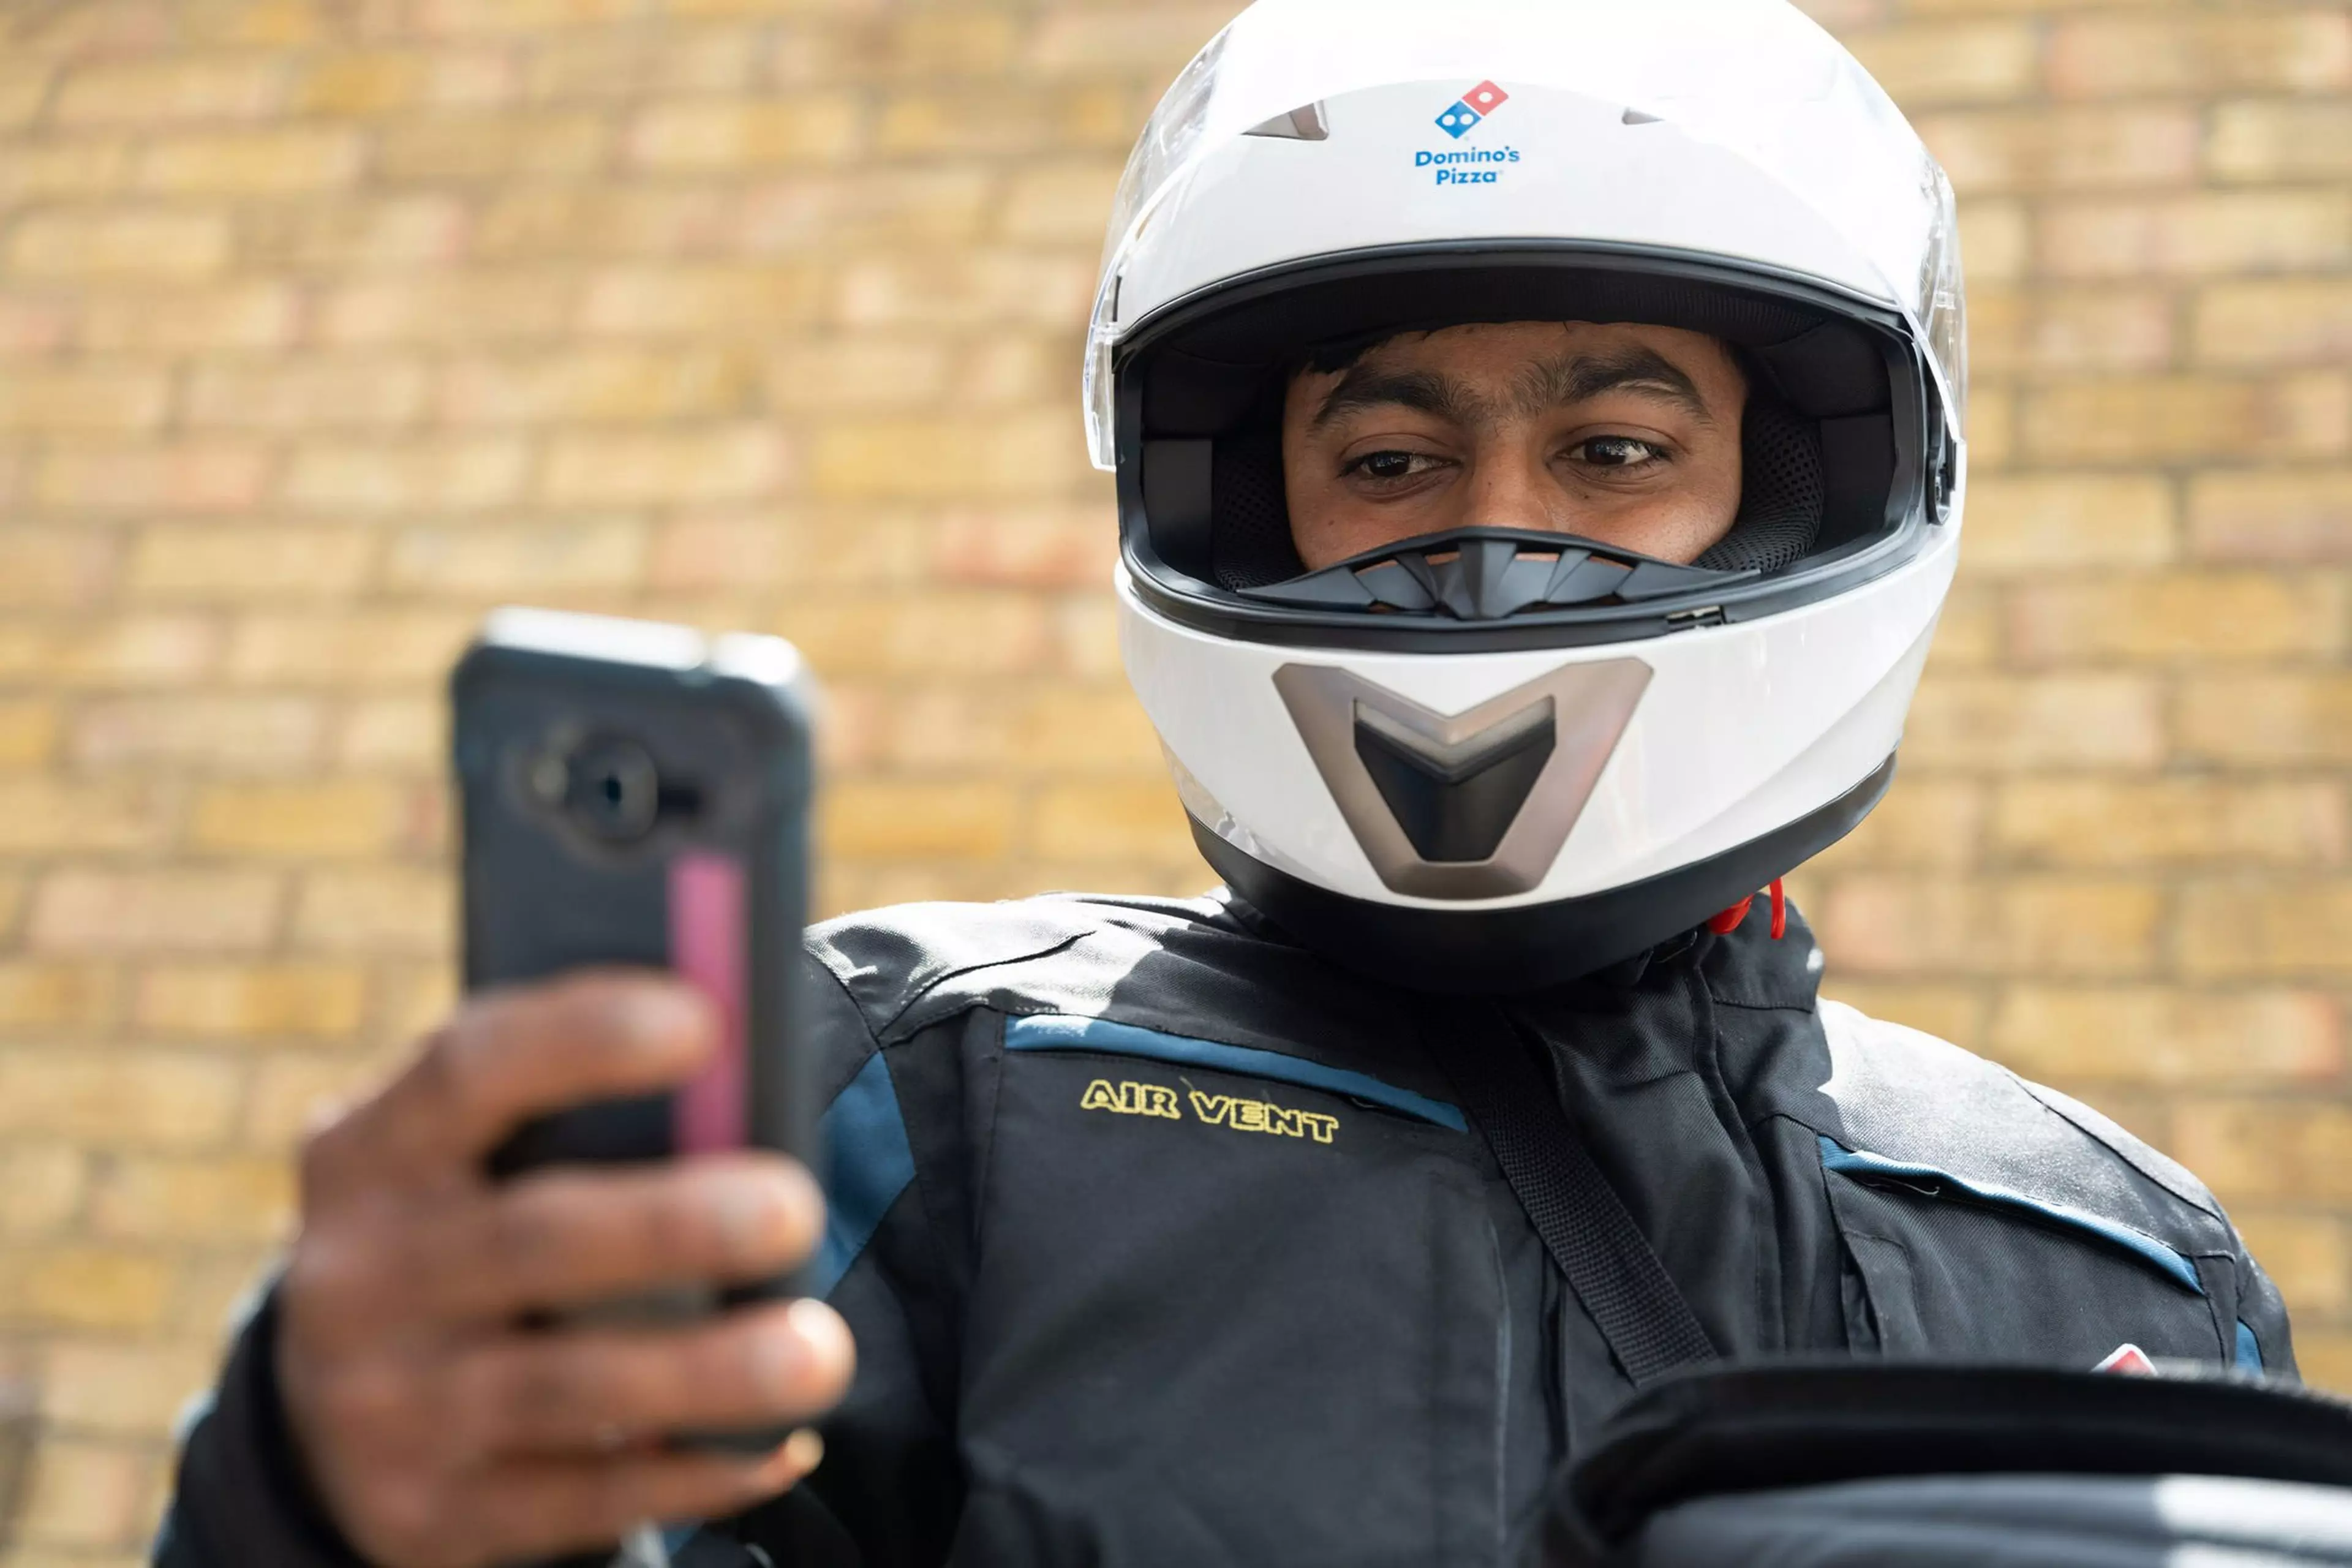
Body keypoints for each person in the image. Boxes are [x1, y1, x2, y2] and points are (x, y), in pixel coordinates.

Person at [155, 2, 2295, 1566]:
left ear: (1801, 492)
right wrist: (323, 1496)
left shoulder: (2116, 1268)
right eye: (1383, 461)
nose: (1489, 532)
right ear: (1244, 504)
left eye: (1619, 454)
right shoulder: (920, 1105)